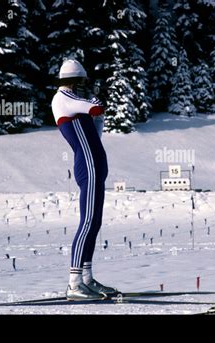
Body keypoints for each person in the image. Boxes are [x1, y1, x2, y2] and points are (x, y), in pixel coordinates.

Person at [51, 59, 118, 301]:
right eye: (81, 82)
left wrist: (96, 112)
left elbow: (96, 128)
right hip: (88, 167)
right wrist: (95, 103)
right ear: (73, 81)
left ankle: (87, 279)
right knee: (88, 221)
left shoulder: (74, 102)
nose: (83, 87)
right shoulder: (63, 97)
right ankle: (74, 282)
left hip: (95, 166)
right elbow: (95, 108)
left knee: (95, 222)